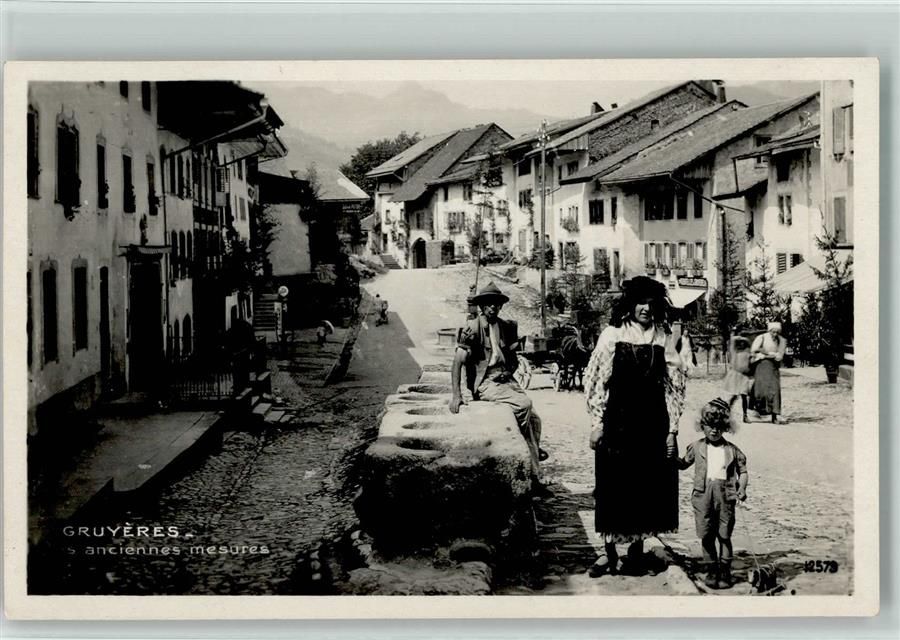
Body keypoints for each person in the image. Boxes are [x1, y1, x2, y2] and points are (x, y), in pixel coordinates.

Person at [583, 276, 687, 577]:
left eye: (651, 303)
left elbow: (675, 385)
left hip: (651, 424)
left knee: (645, 487)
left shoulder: (662, 337)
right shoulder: (612, 334)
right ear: (630, 305)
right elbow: (595, 381)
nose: (645, 308)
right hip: (617, 423)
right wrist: (597, 423)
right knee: (613, 486)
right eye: (640, 302)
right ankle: (609, 554)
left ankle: (637, 552)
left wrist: (672, 430)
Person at [449, 281, 547, 484]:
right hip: (486, 382)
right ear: (482, 306)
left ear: (501, 306)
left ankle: (533, 454)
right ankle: (527, 461)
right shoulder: (473, 328)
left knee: (535, 419)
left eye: (496, 303)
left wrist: (509, 371)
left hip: (505, 378)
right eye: (488, 303)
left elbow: (513, 358)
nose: (493, 307)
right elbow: (457, 362)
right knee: (524, 405)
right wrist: (456, 395)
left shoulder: (505, 326)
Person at [678, 398, 749, 589]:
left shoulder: (732, 450)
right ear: (702, 426)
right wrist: (670, 456)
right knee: (707, 535)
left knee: (724, 536)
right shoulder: (696, 447)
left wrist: (742, 488)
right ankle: (711, 570)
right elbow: (683, 464)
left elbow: (743, 472)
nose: (714, 430)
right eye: (710, 425)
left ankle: (725, 571)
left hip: (725, 498)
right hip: (703, 498)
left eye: (719, 426)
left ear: (726, 427)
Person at [749, 322, 787, 424]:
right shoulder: (762, 337)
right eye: (773, 332)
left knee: (775, 389)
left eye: (777, 332)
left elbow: (780, 355)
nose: (775, 334)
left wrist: (770, 354)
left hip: (773, 366)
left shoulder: (781, 340)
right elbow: (753, 351)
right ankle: (759, 410)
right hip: (761, 366)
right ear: (769, 331)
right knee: (761, 390)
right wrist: (765, 354)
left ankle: (774, 415)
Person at [723, 335, 754, 422]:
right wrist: (740, 337)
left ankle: (745, 416)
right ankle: (726, 413)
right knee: (734, 395)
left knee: (744, 396)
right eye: (740, 343)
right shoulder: (734, 352)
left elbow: (751, 364)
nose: (742, 345)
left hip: (744, 377)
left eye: (743, 343)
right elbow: (732, 340)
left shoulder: (748, 354)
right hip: (736, 376)